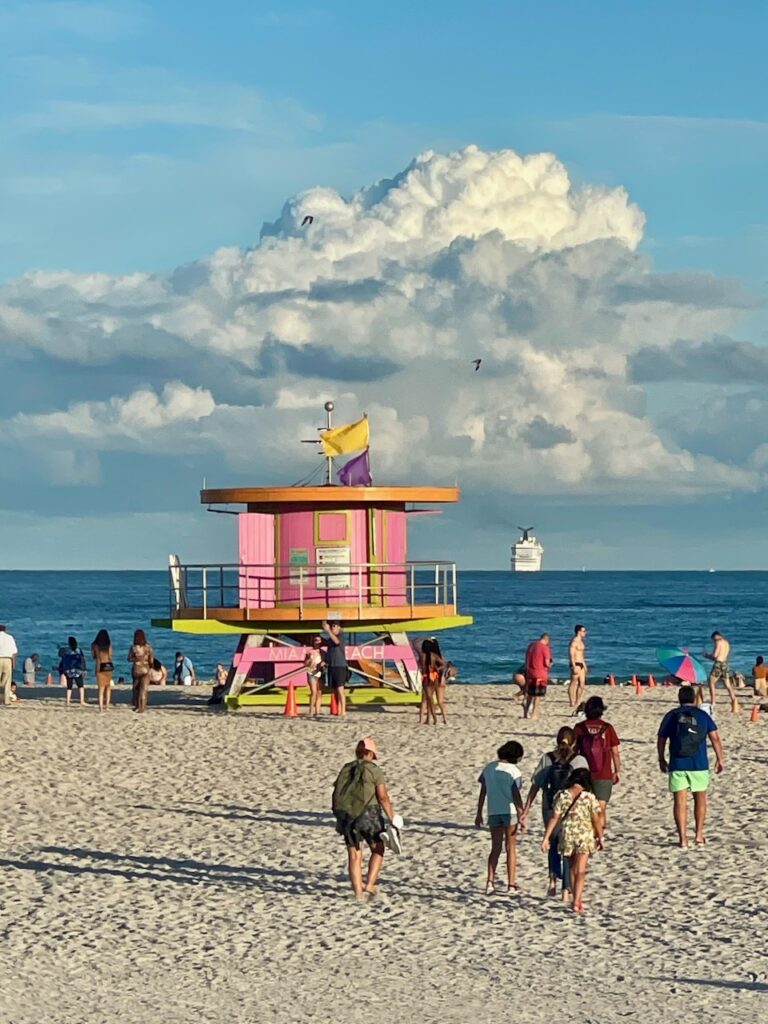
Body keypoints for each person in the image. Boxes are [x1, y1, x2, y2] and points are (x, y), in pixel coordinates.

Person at [520, 726, 589, 899]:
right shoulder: (579, 760)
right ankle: (566, 890)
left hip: (549, 805)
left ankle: (552, 882)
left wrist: (526, 809)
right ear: (574, 742)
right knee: (567, 847)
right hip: (571, 806)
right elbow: (587, 786)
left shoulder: (547, 758)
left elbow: (536, 785)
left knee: (551, 842)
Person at [657, 684, 725, 848]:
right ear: (694, 699)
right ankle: (699, 835)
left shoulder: (672, 715)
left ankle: (683, 839)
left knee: (680, 802)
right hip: (699, 763)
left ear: (679, 699)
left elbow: (661, 738)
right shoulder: (702, 715)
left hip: (678, 763)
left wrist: (661, 758)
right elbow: (715, 738)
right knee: (700, 800)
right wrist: (720, 758)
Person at [332, 737, 396, 899]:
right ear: (370, 754)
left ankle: (358, 895)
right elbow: (382, 797)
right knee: (378, 848)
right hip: (369, 815)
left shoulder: (346, 768)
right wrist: (392, 817)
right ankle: (369, 884)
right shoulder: (374, 770)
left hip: (347, 815)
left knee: (354, 855)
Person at [541, 767, 604, 914]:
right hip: (584, 835)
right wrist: (600, 837)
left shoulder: (562, 795)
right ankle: (577, 901)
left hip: (568, 834)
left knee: (571, 867)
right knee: (580, 870)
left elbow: (554, 818)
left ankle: (573, 899)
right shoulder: (589, 797)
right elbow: (595, 820)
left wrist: (546, 838)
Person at [475, 740, 526, 895]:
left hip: (493, 811)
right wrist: (522, 813)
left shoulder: (489, 768)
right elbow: (516, 794)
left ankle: (490, 882)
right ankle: (511, 884)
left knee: (495, 848)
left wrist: (479, 813)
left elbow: (483, 791)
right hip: (509, 811)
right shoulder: (514, 771)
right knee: (510, 848)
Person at [574, 696, 621, 826]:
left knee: (586, 807)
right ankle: (600, 836)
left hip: (584, 773)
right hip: (604, 773)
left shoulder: (579, 728)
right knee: (601, 808)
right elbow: (615, 753)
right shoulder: (607, 728)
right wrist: (617, 771)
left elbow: (574, 752)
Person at [703, 630, 739, 712]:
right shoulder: (727, 643)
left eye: (713, 639)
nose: (713, 641)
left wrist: (707, 656)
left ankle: (713, 702)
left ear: (715, 636)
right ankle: (734, 700)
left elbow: (715, 656)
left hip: (718, 664)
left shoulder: (718, 642)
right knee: (727, 684)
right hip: (725, 664)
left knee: (711, 682)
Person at [523, 632, 552, 720]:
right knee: (538, 696)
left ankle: (525, 713)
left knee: (530, 694)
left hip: (530, 672)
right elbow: (546, 663)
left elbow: (527, 658)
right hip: (540, 673)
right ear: (547, 640)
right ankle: (534, 714)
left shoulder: (531, 646)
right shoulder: (545, 648)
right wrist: (551, 664)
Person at [323, 618, 348, 718]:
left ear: (339, 628)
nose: (332, 628)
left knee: (340, 689)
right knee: (335, 690)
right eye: (332, 626)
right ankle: (337, 709)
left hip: (340, 665)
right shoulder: (330, 640)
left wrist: (328, 631)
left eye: (334, 626)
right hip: (332, 665)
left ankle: (343, 710)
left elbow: (337, 642)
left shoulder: (340, 637)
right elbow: (329, 652)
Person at [418, 637, 445, 724]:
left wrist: (423, 637)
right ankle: (431, 719)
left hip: (426, 678)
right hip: (434, 677)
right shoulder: (435, 655)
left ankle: (433, 719)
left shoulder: (422, 655)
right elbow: (444, 664)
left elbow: (414, 642)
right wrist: (437, 669)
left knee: (427, 700)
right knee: (431, 699)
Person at [129, 629, 154, 713]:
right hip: (146, 669)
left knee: (136, 689)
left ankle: (136, 706)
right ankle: (142, 707)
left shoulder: (133, 648)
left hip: (136, 668)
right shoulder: (148, 647)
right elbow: (151, 660)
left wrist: (136, 658)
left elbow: (129, 658)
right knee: (144, 690)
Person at [59, 636, 87, 707]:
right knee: (80, 686)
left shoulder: (65, 650)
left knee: (69, 686)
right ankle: (81, 701)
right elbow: (82, 660)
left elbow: (60, 655)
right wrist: (84, 669)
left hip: (69, 670)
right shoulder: (79, 650)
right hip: (78, 669)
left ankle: (68, 701)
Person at [90, 629, 114, 712]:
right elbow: (110, 657)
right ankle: (107, 706)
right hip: (108, 666)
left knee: (101, 689)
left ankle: (101, 708)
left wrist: (96, 670)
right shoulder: (108, 645)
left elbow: (95, 657)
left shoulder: (95, 645)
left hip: (100, 666)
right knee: (108, 687)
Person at [304, 636, 325, 717]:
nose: (318, 642)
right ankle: (311, 710)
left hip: (321, 671)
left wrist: (324, 664)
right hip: (312, 671)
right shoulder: (310, 652)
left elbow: (326, 662)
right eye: (316, 640)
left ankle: (317, 710)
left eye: (319, 641)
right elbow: (305, 664)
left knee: (319, 692)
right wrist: (309, 660)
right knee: (314, 691)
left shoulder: (323, 652)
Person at [568, 624, 588, 708]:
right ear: (579, 632)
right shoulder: (574, 641)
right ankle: (572, 701)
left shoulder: (581, 642)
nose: (585, 633)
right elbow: (571, 654)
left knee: (582, 684)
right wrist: (573, 665)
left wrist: (585, 665)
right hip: (575, 663)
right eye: (583, 631)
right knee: (573, 683)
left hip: (581, 663)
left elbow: (582, 655)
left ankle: (577, 700)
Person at [0, 624, 18, 707]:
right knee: (7, 681)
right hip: (7, 659)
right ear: (5, 630)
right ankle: (6, 700)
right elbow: (14, 652)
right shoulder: (10, 638)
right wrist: (13, 664)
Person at [433, 660, 456, 725]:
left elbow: (442, 676)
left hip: (439, 684)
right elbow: (452, 677)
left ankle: (444, 719)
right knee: (441, 702)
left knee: (440, 702)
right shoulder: (452, 668)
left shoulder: (444, 668)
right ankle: (445, 719)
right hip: (443, 684)